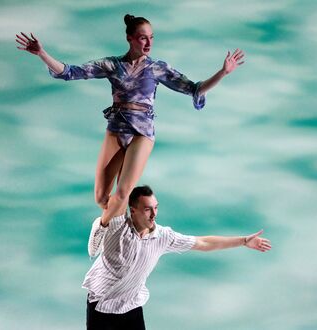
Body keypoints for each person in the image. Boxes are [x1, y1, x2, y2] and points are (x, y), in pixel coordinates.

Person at [15, 14, 245, 226]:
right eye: (143, 38)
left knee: (123, 193)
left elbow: (195, 88)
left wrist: (223, 72)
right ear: (130, 38)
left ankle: (101, 230)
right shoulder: (112, 65)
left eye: (151, 38)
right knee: (102, 198)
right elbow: (70, 72)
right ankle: (122, 228)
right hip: (117, 127)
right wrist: (42, 54)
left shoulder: (157, 68)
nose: (148, 43)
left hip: (142, 131)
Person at [83, 185, 271, 329]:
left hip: (131, 305)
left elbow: (203, 243)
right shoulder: (118, 226)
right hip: (101, 305)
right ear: (133, 210)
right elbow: (120, 191)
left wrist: (244, 241)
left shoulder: (163, 236)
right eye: (148, 209)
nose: (154, 214)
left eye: (156, 208)